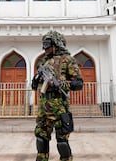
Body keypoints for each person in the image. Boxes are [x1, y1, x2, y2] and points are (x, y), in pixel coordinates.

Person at [32, 30, 83, 161]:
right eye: (44, 45)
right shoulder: (44, 62)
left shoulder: (67, 60)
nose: (45, 48)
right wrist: (37, 79)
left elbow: (78, 84)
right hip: (44, 108)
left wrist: (60, 84)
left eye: (48, 45)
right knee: (41, 138)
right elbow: (34, 87)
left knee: (62, 141)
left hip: (60, 107)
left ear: (57, 44)